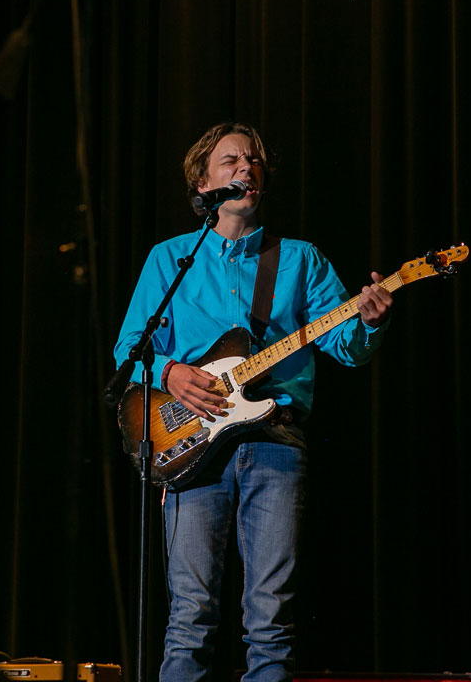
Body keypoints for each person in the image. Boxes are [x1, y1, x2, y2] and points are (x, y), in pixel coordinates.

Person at [112, 122, 393, 682]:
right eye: (231, 161)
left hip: (276, 442)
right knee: (190, 617)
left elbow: (346, 347)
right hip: (191, 445)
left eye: (254, 162)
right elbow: (130, 351)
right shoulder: (170, 260)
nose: (246, 169)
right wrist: (172, 372)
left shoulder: (300, 260)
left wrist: (368, 322)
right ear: (203, 180)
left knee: (271, 620)